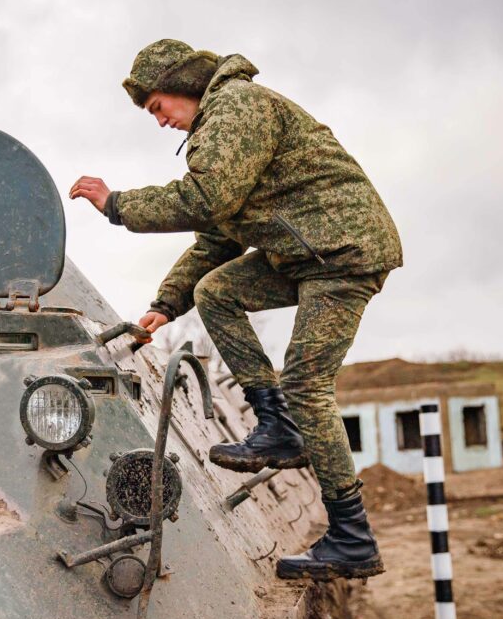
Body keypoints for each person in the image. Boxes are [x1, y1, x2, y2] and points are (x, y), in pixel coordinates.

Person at [69, 39, 402, 580]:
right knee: (216, 291)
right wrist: (164, 304)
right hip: (308, 253)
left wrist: (117, 204)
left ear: (183, 85)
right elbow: (214, 241)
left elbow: (206, 200)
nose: (161, 122)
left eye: (158, 108)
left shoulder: (236, 107)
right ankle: (277, 425)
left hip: (342, 251)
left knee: (308, 384)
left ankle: (352, 535)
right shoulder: (221, 130)